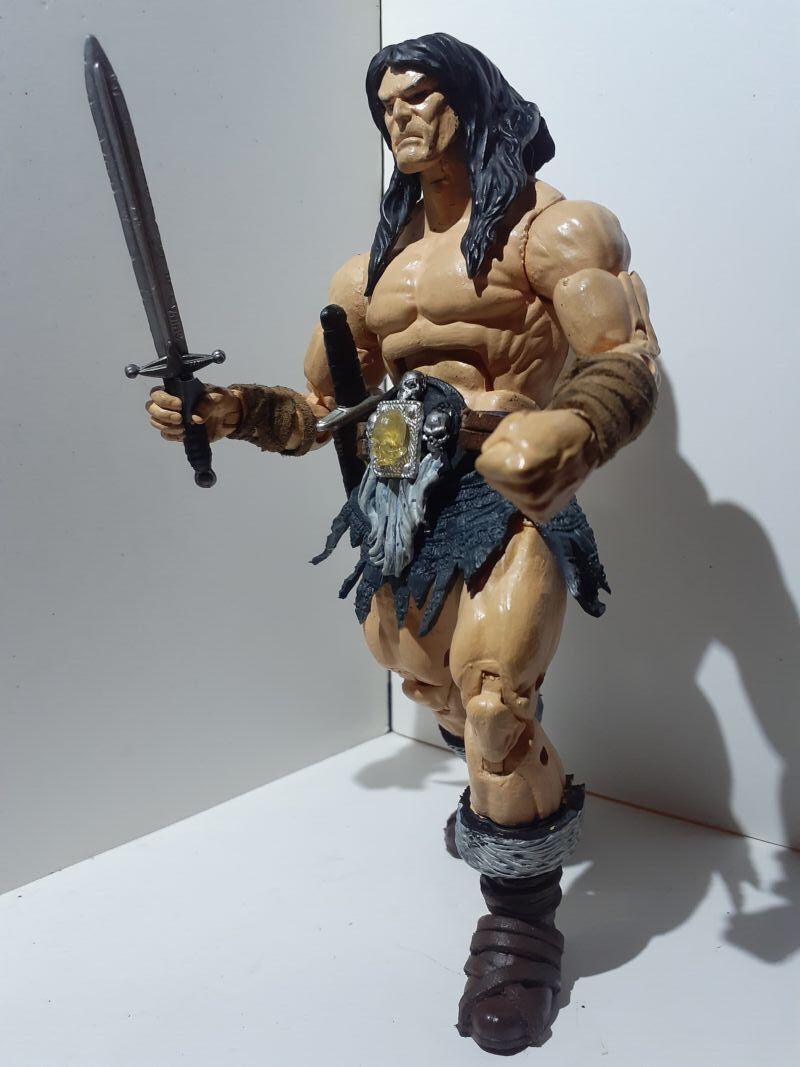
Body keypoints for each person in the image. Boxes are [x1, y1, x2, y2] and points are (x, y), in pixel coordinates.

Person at [146, 33, 660, 1056]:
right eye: (387, 105)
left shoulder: (550, 231)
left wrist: (572, 429)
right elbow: (322, 409)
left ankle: (517, 932)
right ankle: (516, 804)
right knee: (432, 687)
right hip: (400, 505)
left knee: (494, 704)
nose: (402, 117)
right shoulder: (369, 272)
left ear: (471, 100)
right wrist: (232, 410)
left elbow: (625, 353)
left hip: (506, 484)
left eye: (420, 96)